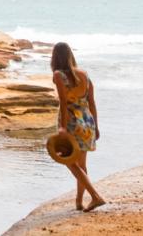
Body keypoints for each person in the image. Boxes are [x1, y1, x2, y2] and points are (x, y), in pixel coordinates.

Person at [51, 41, 106, 212]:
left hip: (72, 123)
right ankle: (78, 202)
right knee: (81, 165)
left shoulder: (58, 75)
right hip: (87, 122)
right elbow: (92, 103)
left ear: (55, 58)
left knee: (69, 162)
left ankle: (96, 196)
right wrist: (96, 126)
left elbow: (63, 103)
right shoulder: (85, 74)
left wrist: (62, 127)